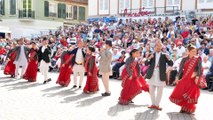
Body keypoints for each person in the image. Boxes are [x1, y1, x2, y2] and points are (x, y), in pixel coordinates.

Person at [169, 44, 202, 114]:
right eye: (192, 51)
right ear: (189, 52)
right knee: (183, 93)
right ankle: (183, 107)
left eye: (195, 51)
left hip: (193, 79)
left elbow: (200, 69)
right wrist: (177, 77)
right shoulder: (184, 59)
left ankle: (188, 108)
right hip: (185, 78)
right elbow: (180, 69)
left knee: (190, 94)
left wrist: (197, 76)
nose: (194, 53)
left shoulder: (197, 59)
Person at [145, 40, 173, 110]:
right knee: (151, 90)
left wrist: (169, 58)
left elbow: (171, 64)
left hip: (161, 74)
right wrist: (149, 58)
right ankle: (153, 104)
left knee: (160, 91)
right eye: (157, 45)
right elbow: (145, 64)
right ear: (155, 47)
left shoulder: (164, 55)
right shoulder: (151, 54)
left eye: (160, 45)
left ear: (161, 47)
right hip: (152, 74)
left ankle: (157, 105)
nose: (158, 47)